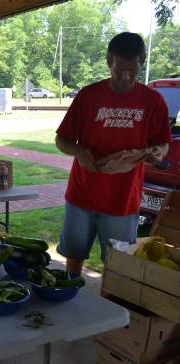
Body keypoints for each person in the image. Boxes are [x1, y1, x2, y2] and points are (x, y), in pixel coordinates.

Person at [55, 32, 171, 275]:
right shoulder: (89, 95)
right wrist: (80, 151)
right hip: (81, 195)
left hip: (123, 199)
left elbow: (163, 143)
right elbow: (62, 140)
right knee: (73, 257)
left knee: (118, 267)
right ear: (109, 62)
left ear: (141, 63)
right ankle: (70, 297)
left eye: (133, 71)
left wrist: (157, 152)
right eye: (119, 71)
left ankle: (111, 308)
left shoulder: (153, 101)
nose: (126, 77)